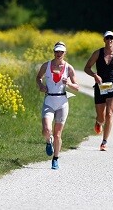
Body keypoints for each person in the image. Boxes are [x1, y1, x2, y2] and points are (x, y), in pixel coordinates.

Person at [36, 41, 79, 169]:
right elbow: (38, 78)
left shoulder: (68, 68)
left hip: (62, 103)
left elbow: (77, 87)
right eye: (56, 51)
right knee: (46, 130)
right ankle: (48, 141)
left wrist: (69, 84)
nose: (58, 54)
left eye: (61, 51)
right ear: (53, 52)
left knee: (57, 134)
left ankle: (55, 159)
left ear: (65, 53)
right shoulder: (46, 65)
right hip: (49, 101)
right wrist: (41, 86)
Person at [84, 31, 113, 151]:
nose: (109, 40)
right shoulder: (98, 53)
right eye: (107, 38)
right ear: (104, 40)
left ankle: (104, 142)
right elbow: (86, 68)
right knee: (101, 117)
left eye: (111, 38)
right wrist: (95, 75)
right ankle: (98, 122)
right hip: (100, 86)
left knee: (109, 114)